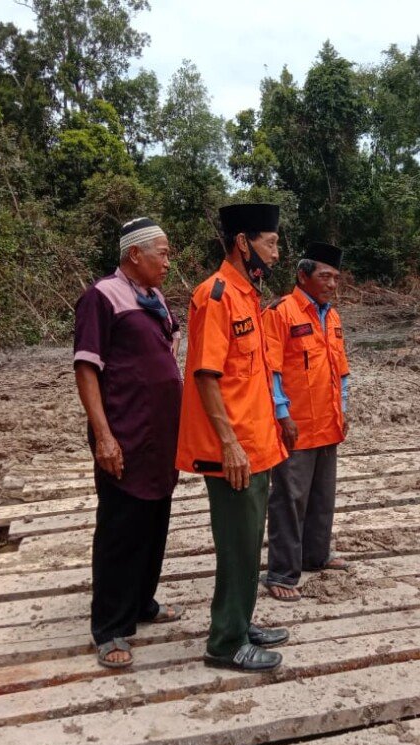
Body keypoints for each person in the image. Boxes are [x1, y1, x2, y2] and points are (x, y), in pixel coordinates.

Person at [175, 203, 290, 672]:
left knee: (249, 542)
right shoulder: (216, 296)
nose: (278, 254)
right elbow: (206, 375)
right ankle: (225, 643)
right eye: (272, 243)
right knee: (236, 544)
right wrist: (229, 445)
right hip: (234, 451)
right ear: (244, 243)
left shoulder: (250, 297)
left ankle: (241, 623)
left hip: (258, 444)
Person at [73, 217, 185, 669]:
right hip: (124, 434)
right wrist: (103, 436)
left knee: (154, 520)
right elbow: (86, 369)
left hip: (160, 435)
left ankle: (142, 602)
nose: (168, 262)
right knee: (120, 529)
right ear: (134, 255)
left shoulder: (154, 298)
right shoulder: (101, 298)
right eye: (162, 253)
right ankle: (111, 627)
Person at [261, 242, 351, 602]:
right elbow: (272, 371)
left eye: (336, 278)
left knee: (321, 495)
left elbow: (341, 371)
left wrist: (342, 409)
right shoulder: (281, 312)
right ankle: (282, 571)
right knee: (289, 497)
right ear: (303, 275)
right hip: (295, 425)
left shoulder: (333, 316)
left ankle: (316, 554)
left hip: (328, 421)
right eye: (324, 276)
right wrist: (282, 415)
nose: (331, 284)